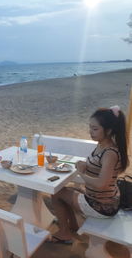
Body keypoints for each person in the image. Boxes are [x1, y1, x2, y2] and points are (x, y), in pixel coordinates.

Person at [49, 105, 129, 244]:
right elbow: (99, 167)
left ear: (109, 130)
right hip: (100, 198)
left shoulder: (110, 153)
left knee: (56, 194)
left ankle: (64, 233)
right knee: (63, 191)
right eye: (90, 127)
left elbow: (101, 183)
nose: (90, 132)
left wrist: (81, 173)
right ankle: (72, 226)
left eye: (95, 129)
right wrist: (86, 165)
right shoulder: (102, 145)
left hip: (102, 206)